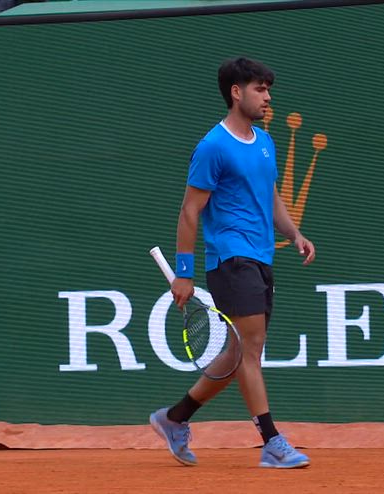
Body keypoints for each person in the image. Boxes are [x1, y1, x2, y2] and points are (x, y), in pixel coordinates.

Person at [149, 57, 316, 469]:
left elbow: (270, 197)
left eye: (268, 89)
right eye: (260, 89)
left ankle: (174, 418)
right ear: (236, 92)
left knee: (237, 353)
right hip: (230, 258)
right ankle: (272, 441)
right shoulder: (213, 146)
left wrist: (294, 233)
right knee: (250, 352)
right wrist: (184, 274)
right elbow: (190, 210)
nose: (267, 96)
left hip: (260, 257)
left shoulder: (265, 141)